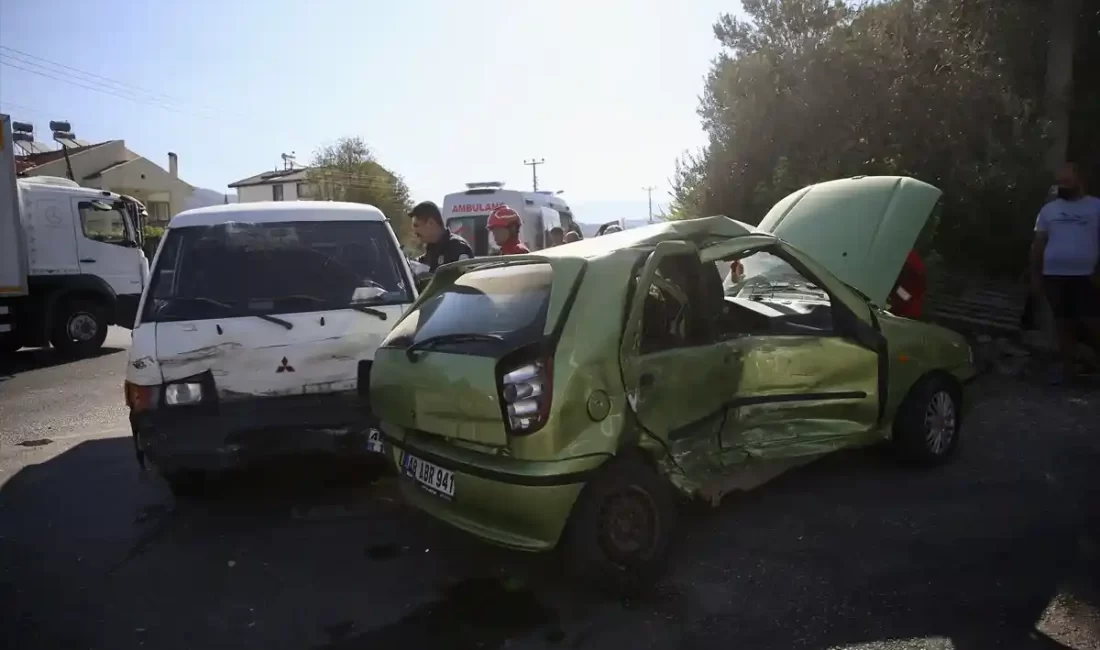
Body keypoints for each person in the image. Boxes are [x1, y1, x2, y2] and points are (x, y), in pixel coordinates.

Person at [1030, 162, 1100, 385]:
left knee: (1091, 321)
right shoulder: (1048, 210)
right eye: (1060, 182)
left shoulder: (1096, 207)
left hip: (1086, 276)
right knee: (1063, 323)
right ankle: (1069, 370)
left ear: (1079, 180)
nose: (1063, 186)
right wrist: (1035, 275)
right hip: (1054, 275)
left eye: (1067, 181)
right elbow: (1038, 244)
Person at [409, 201, 473, 272]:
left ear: (430, 223)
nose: (415, 231)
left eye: (416, 225)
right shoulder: (431, 249)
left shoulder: (457, 247)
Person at [888, 249, 928, 319]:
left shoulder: (907, 260)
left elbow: (908, 299)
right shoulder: (909, 256)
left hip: (908, 314)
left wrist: (895, 287)